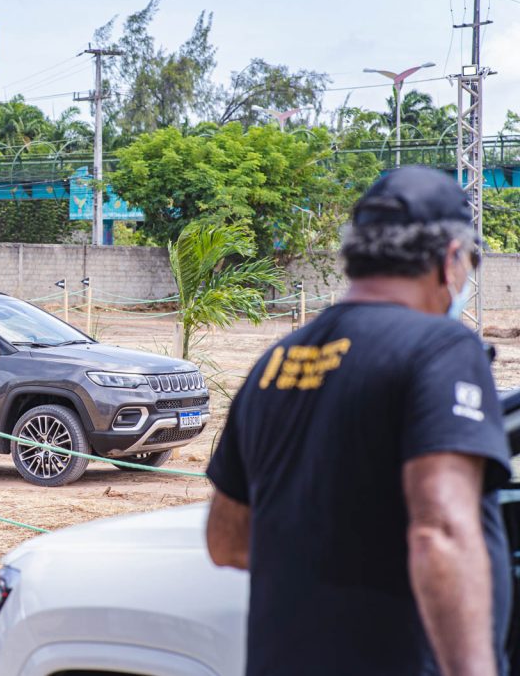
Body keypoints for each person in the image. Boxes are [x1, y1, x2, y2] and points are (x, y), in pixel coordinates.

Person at [205, 166, 512, 676]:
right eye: (472, 261)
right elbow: (441, 531)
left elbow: (226, 541)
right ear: (451, 258)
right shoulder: (441, 349)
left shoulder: (275, 362)